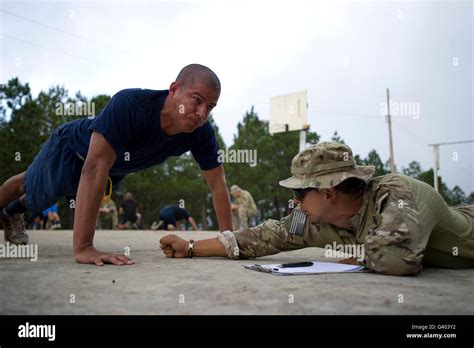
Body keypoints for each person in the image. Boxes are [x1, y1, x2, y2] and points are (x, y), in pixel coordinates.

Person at [0, 63, 233, 266]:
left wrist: (228, 241)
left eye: (210, 107)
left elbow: (218, 184)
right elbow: (93, 168)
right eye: (197, 100)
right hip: (72, 148)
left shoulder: (201, 133)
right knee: (29, 184)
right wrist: (84, 247)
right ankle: (10, 207)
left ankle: (12, 211)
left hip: (111, 169)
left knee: (45, 196)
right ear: (174, 90)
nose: (202, 113)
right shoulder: (131, 105)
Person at [160, 142, 474, 276]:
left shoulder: (399, 194)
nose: (294, 202)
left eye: (299, 193)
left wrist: (351, 254)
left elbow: (399, 260)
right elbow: (265, 236)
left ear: (328, 192)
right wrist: (189, 247)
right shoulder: (313, 218)